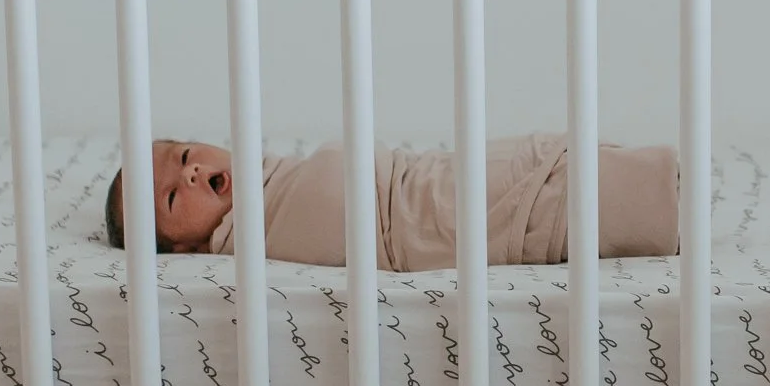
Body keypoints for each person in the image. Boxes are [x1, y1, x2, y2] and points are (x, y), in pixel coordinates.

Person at [105, 135, 679, 272]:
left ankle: (655, 182)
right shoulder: (245, 240)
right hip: (414, 222)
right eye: (174, 194)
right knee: (546, 204)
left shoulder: (267, 173)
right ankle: (656, 205)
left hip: (420, 180)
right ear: (180, 247)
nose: (195, 170)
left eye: (184, 155)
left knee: (532, 161)